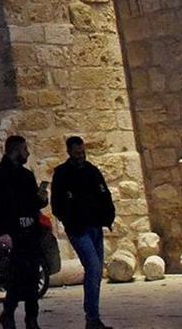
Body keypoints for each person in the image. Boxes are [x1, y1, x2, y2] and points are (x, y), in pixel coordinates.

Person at [52, 135, 117, 329]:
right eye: (77, 152)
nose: (81, 156)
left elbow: (104, 193)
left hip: (95, 226)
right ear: (69, 152)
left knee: (95, 272)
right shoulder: (62, 174)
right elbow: (57, 204)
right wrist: (69, 219)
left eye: (83, 152)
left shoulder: (92, 171)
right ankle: (92, 316)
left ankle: (93, 318)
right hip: (78, 229)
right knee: (94, 267)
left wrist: (108, 216)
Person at [0, 135, 48, 329]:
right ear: (15, 150)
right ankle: (9, 312)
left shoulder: (27, 176)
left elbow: (34, 204)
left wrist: (42, 198)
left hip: (30, 233)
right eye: (24, 149)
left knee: (32, 276)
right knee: (18, 276)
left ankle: (31, 319)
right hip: (13, 234)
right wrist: (3, 232)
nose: (27, 153)